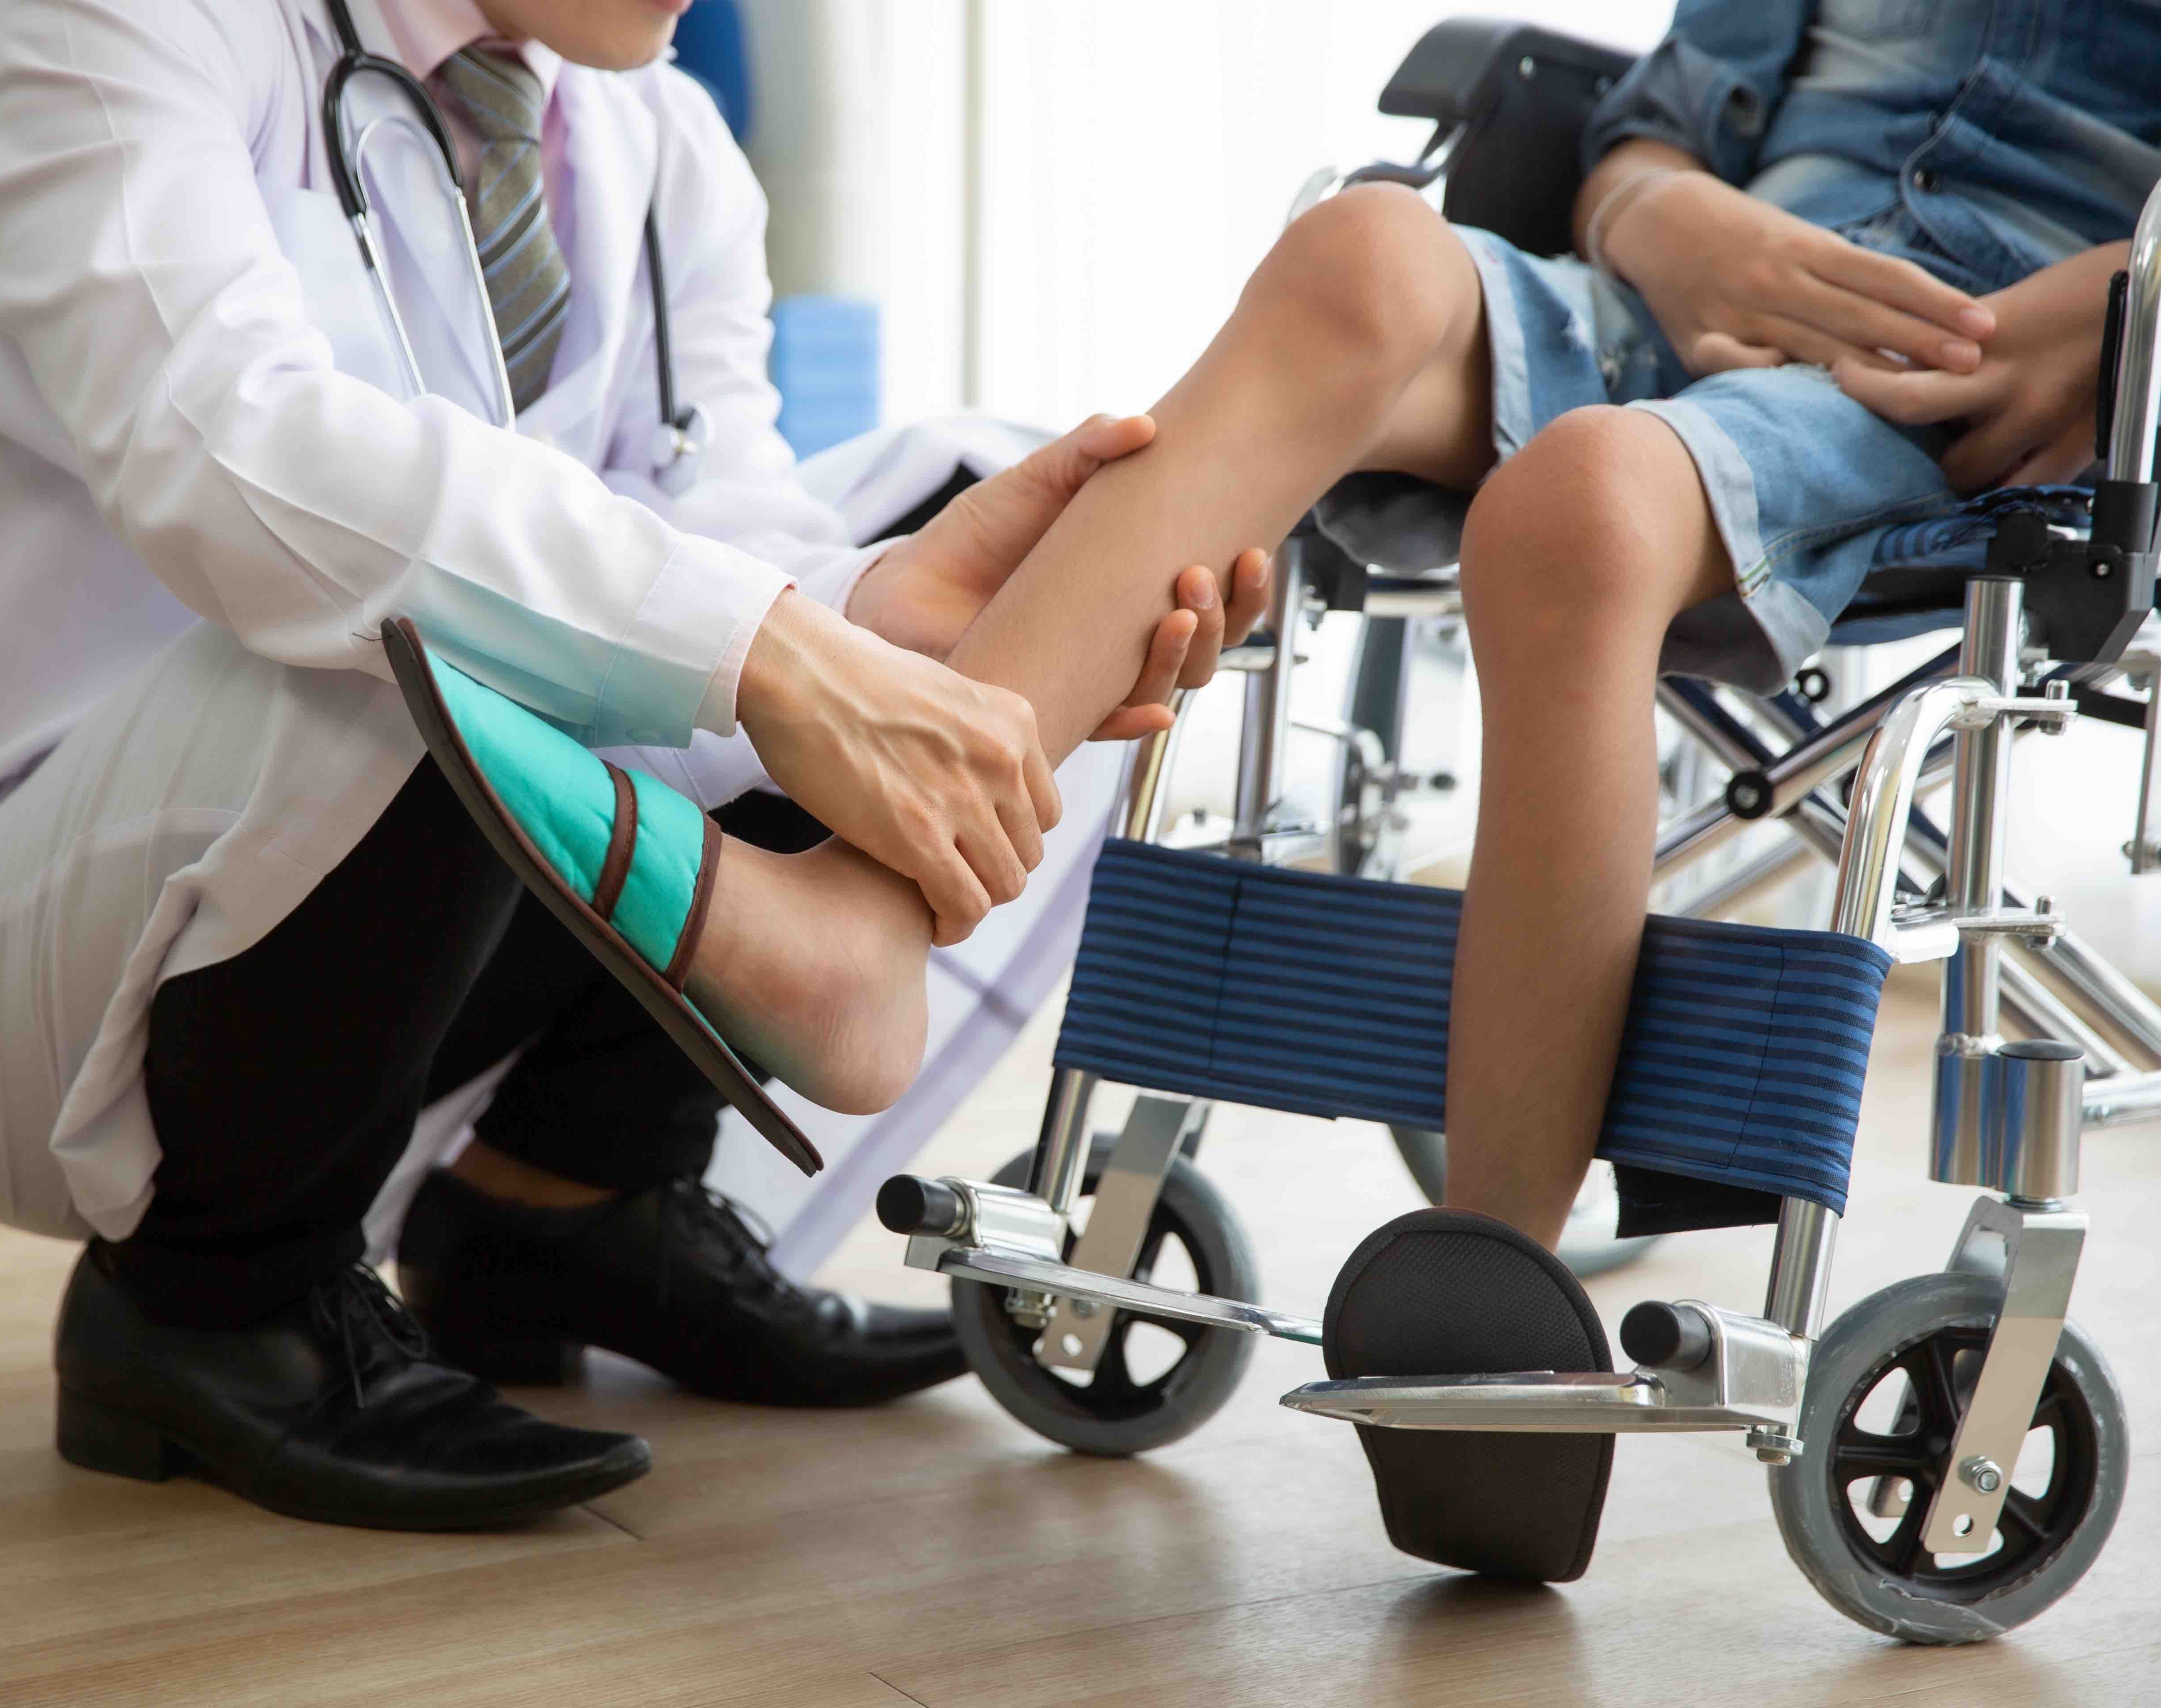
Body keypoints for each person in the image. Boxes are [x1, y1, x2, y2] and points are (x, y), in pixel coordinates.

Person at [520, 0, 2154, 1580]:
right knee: (1358, 248)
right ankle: (875, 904)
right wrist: (1665, 217)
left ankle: (1496, 1300)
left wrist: (2110, 302)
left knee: (1574, 503)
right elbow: (1648, 127)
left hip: (1979, 398)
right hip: (1671, 316)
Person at [0, 0, 1272, 1533]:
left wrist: (881, 610)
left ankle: (568, 1200)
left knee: (941, 526)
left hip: (372, 898)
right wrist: (781, 651)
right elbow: (233, 459)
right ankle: (217, 1300)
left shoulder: (657, 136)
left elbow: (710, 519)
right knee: (425, 608)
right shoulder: (110, 23)